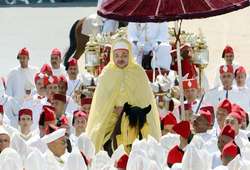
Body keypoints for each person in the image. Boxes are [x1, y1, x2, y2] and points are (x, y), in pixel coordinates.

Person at [86, 38, 161, 152]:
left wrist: (127, 110)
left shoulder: (138, 72)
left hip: (134, 117)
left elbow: (144, 99)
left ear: (129, 55)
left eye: (124, 55)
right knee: (97, 136)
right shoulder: (107, 73)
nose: (120, 58)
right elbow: (101, 100)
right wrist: (113, 109)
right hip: (111, 115)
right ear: (113, 56)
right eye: (117, 55)